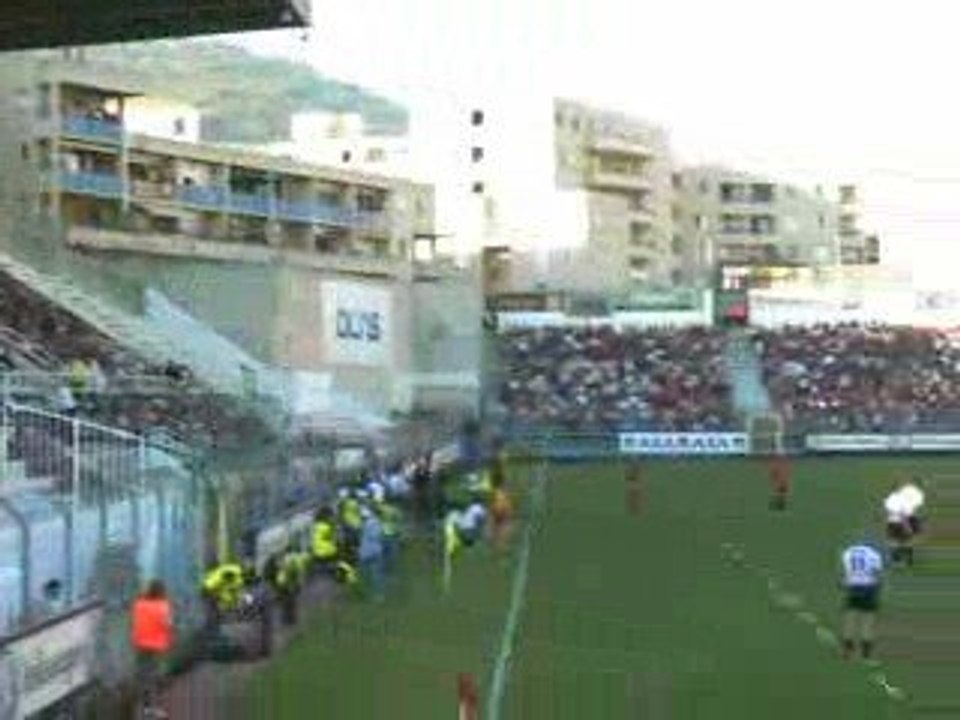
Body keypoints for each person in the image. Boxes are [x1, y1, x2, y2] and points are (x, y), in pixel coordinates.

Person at [131, 579, 174, 719]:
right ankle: (154, 709)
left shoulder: (138, 604)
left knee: (144, 676)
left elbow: (135, 621)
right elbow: (168, 625)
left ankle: (145, 707)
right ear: (161, 592)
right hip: (156, 646)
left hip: (140, 644)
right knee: (155, 677)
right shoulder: (163, 606)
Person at [839, 541, 884, 660]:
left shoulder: (847, 553)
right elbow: (877, 573)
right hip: (868, 587)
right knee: (868, 620)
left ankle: (848, 649)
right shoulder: (874, 553)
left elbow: (844, 572)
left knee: (850, 618)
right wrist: (878, 588)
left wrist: (843, 585)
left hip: (853, 587)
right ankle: (866, 651)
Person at [358, 508, 385, 601]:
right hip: (376, 551)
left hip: (365, 552)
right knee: (376, 575)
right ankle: (378, 595)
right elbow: (379, 536)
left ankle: (365, 594)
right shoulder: (378, 523)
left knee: (364, 574)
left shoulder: (364, 525)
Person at [883, 486, 912, 565]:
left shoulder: (888, 499)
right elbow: (903, 514)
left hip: (891, 522)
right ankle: (908, 559)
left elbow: (888, 512)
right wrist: (907, 525)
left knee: (893, 540)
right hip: (900, 522)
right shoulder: (903, 500)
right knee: (905, 541)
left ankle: (895, 559)